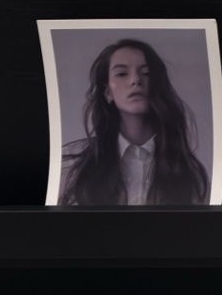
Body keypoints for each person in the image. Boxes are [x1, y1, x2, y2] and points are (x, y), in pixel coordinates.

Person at [59, 38, 209, 205]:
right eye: (122, 74)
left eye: (146, 73)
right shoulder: (73, 165)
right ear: (108, 92)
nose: (135, 80)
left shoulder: (187, 171)